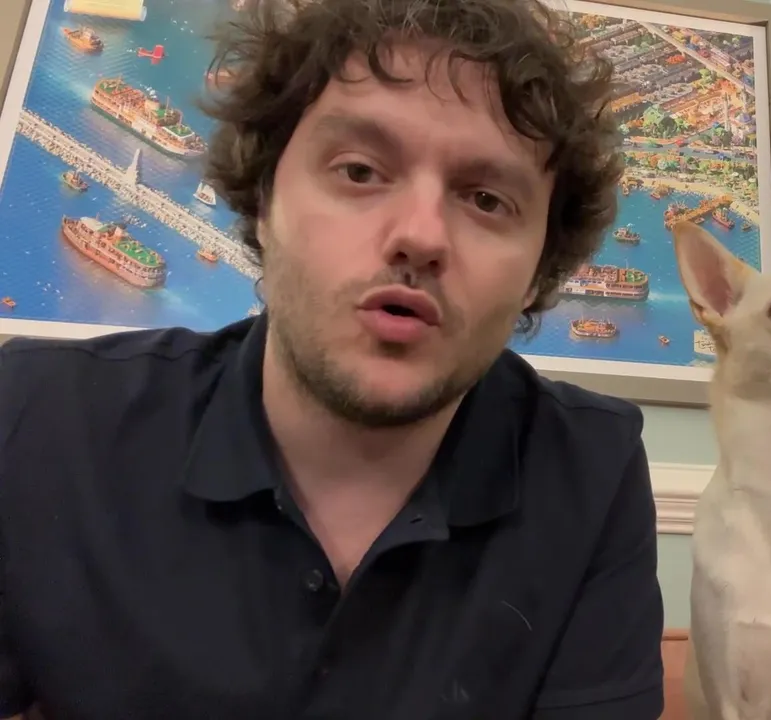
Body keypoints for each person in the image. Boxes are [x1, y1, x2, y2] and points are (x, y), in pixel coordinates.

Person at [0, 0, 665, 717]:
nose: (420, 236)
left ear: (538, 272)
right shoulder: (39, 419)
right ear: (264, 201)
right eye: (359, 170)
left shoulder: (591, 470)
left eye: (485, 198)